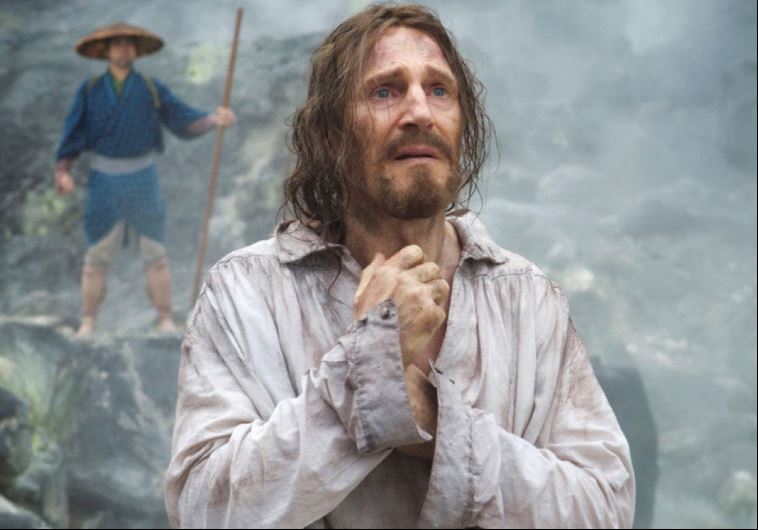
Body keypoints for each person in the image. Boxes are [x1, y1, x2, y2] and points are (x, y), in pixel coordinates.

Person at [165, 4, 635, 528]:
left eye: (439, 90)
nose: (419, 112)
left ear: (462, 126)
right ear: (331, 134)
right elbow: (205, 510)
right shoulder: (246, 292)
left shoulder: (525, 297)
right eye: (385, 91)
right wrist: (366, 370)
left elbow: (604, 508)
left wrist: (436, 422)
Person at [54, 22, 236, 337]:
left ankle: (164, 318)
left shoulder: (152, 88)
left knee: (156, 254)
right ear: (106, 51)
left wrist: (212, 119)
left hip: (143, 178)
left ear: (137, 51)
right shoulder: (89, 90)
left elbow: (182, 119)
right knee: (96, 257)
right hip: (104, 182)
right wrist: (62, 171)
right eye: (117, 44)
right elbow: (72, 133)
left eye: (129, 44)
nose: (123, 49)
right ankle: (88, 321)